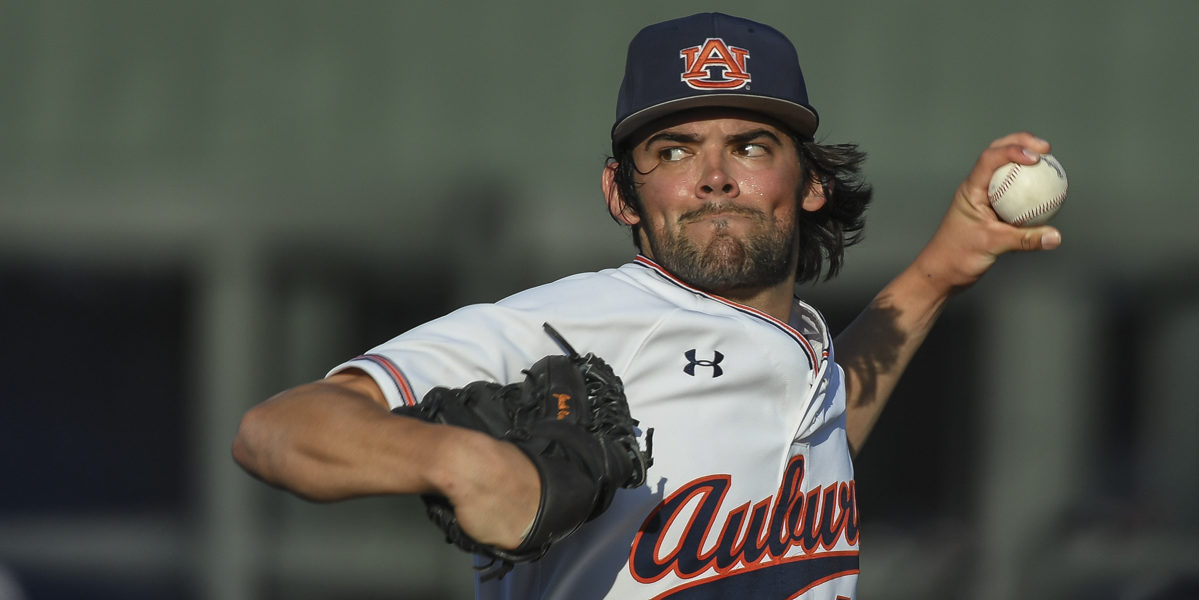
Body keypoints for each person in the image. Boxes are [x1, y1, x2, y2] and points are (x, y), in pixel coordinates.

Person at [233, 12, 1062, 599]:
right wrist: (462, 463)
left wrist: (938, 274)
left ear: (809, 181)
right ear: (620, 193)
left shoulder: (797, 347)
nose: (712, 176)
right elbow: (276, 430)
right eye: (673, 151)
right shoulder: (573, 320)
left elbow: (814, 431)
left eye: (748, 145)